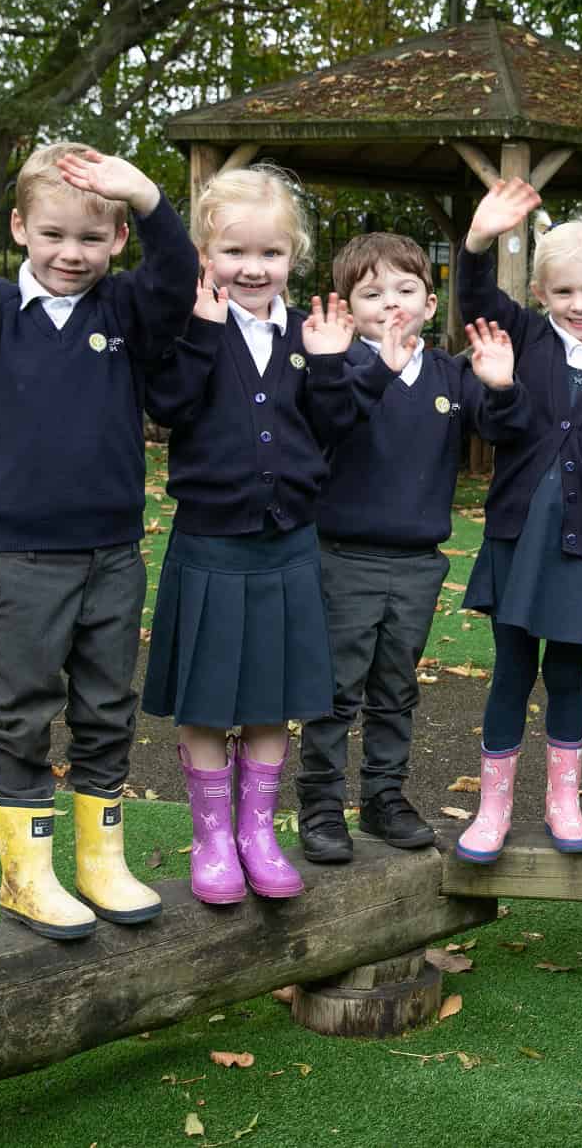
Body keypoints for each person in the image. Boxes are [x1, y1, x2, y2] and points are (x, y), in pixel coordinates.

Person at [0, 137, 196, 939]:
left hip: (114, 555)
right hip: (24, 562)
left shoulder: (124, 311)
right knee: (20, 714)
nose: (71, 253)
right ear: (19, 228)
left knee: (107, 708)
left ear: (117, 240)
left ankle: (101, 861)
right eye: (53, 234)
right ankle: (28, 873)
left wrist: (150, 200)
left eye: (92, 238)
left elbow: (176, 279)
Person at [139, 166, 411, 904]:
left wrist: (329, 366)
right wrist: (202, 333)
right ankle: (213, 838)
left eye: (271, 254)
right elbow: (168, 405)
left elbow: (335, 427)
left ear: (293, 257)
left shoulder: (309, 333)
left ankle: (259, 832)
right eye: (235, 253)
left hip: (287, 545)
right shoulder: (188, 324)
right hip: (210, 545)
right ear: (204, 253)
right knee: (205, 705)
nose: (253, 269)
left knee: (267, 703)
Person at [297, 230, 529, 863]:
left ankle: (383, 796)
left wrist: (503, 387)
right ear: (347, 307)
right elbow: (328, 426)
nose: (391, 303)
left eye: (406, 290)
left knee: (395, 688)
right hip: (343, 559)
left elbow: (505, 429)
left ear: (431, 304)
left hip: (418, 564)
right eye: (372, 293)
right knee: (337, 689)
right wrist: (377, 369)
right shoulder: (337, 368)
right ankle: (319, 804)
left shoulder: (453, 372)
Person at [450, 179, 582, 863]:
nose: (579, 305)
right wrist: (478, 241)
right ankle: (493, 808)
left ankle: (563, 802)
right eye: (563, 292)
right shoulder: (529, 339)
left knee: (566, 674)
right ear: (540, 296)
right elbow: (474, 300)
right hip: (518, 539)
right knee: (511, 671)